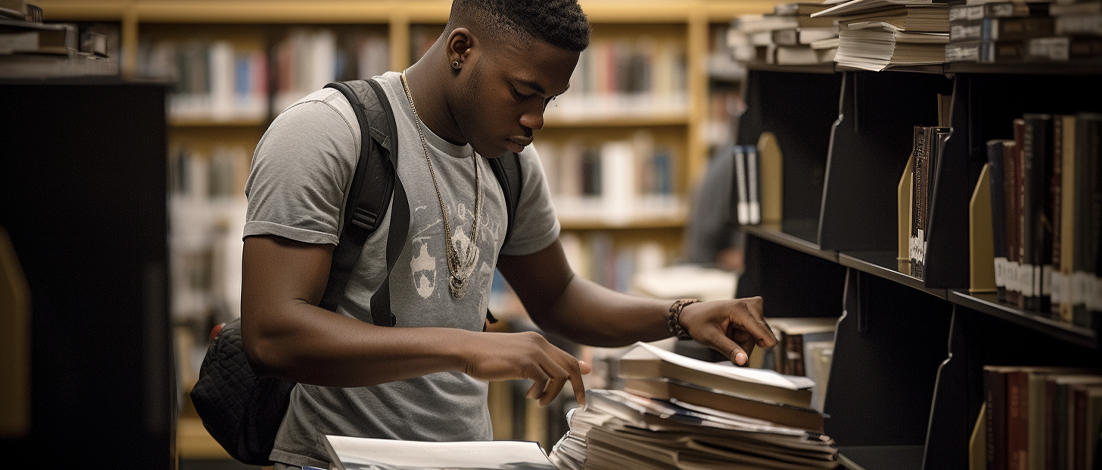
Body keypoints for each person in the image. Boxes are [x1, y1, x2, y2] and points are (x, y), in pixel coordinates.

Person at [240, 1, 776, 468]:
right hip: (336, 458)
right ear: (460, 49)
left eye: (550, 100)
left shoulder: (509, 165)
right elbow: (273, 334)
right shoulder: (325, 134)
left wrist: (680, 316)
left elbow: (559, 296)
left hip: (469, 455)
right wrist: (468, 350)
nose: (537, 119)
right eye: (524, 92)